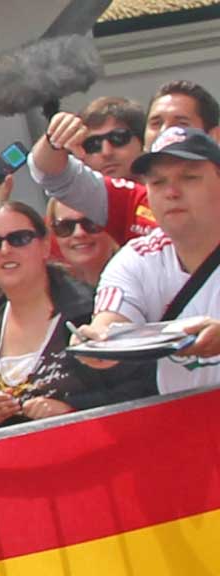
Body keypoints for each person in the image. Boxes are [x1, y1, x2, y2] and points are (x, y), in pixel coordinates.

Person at [0, 201, 155, 434]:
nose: (5, 250)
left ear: (45, 246)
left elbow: (143, 388)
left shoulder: (92, 312)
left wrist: (71, 409)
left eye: (19, 239)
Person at [74, 126, 220, 394]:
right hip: (187, 427)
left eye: (189, 177)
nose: (171, 192)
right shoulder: (135, 259)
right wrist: (95, 342)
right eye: (158, 182)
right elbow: (109, 325)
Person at [27, 81, 220, 247]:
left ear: (215, 136)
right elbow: (52, 175)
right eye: (155, 123)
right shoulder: (130, 200)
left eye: (180, 122)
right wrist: (54, 141)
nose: (164, 131)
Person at [46, 198, 118, 286]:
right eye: (65, 226)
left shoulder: (136, 272)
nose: (79, 233)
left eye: (91, 223)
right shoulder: (48, 288)